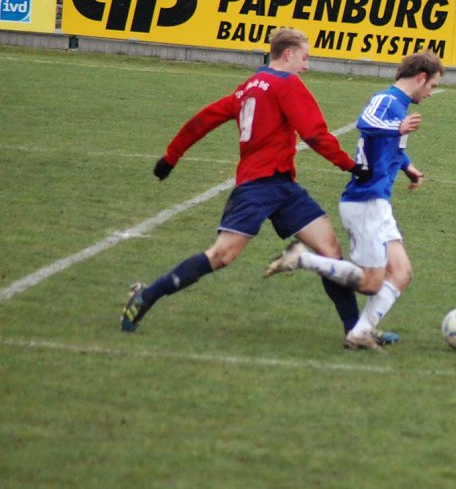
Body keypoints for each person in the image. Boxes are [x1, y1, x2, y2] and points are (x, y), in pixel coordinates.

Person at [121, 27, 393, 346]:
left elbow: (204, 118)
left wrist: (171, 156)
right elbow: (314, 133)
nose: (306, 66)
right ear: (288, 54)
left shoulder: (248, 87)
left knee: (330, 251)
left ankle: (354, 331)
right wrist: (351, 166)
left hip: (283, 187)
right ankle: (147, 295)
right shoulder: (286, 83)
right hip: (257, 187)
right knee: (222, 255)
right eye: (304, 58)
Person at [264, 50, 444, 350]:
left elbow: (388, 147)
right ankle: (301, 258)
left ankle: (360, 332)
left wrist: (407, 166)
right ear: (421, 78)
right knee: (372, 282)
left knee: (401, 273)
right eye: (432, 86)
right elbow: (366, 122)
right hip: (364, 201)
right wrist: (396, 128)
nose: (430, 93)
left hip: (378, 202)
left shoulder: (398, 104)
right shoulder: (387, 100)